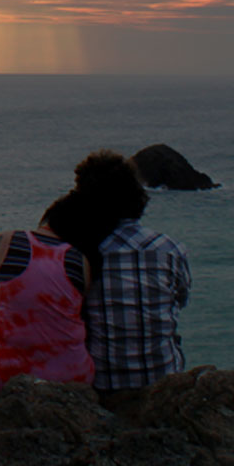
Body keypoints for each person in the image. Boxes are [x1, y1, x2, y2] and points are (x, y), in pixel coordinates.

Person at [0, 192, 100, 416]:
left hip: (8, 377)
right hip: (74, 379)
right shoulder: (81, 262)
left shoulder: (5, 242)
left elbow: (11, 296)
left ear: (47, 218)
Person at [70, 149, 192, 396]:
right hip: (163, 383)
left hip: (103, 386)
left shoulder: (76, 254)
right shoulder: (169, 248)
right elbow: (180, 299)